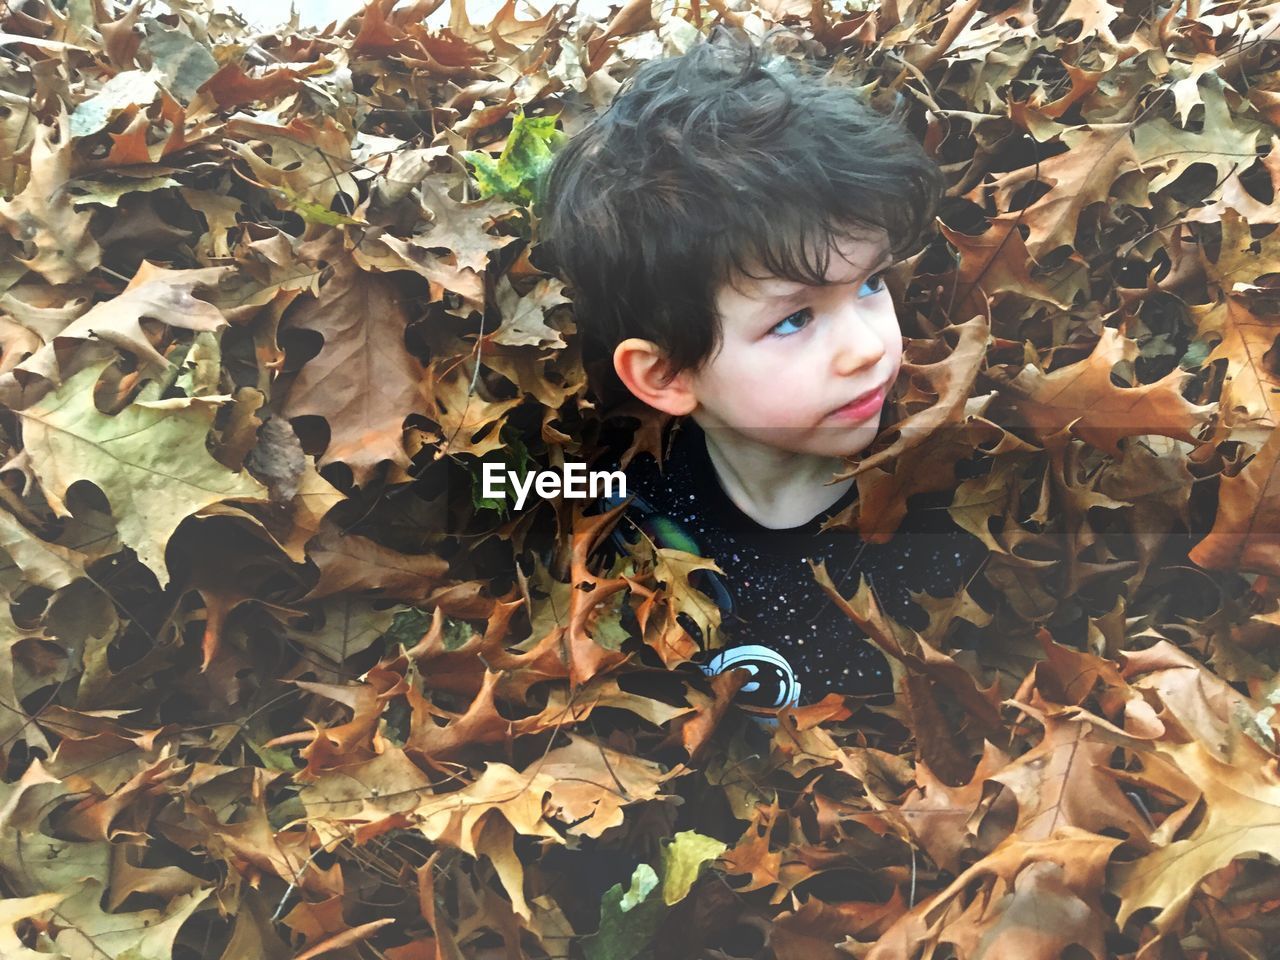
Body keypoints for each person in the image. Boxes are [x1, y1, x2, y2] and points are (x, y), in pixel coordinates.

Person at [531, 26, 989, 716]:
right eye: (794, 320)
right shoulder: (624, 509)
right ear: (666, 377)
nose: (866, 347)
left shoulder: (959, 513)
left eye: (870, 284)